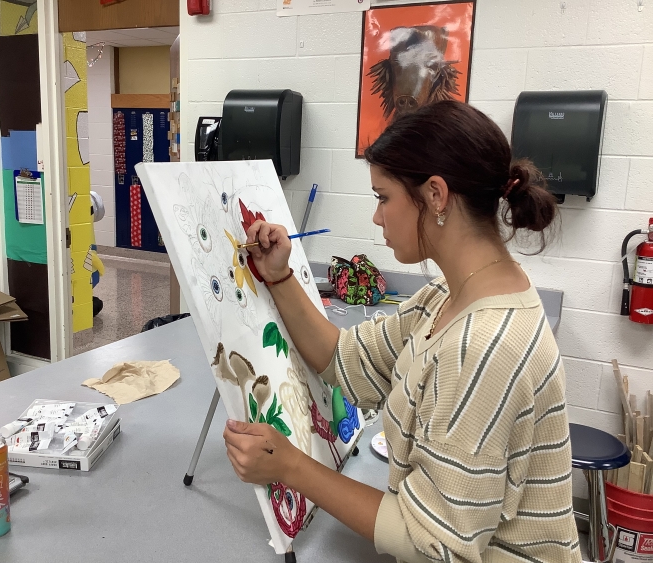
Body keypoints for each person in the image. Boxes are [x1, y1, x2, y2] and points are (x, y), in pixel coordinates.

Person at [222, 101, 580, 562]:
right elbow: (346, 360)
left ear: (436, 194)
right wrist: (279, 276)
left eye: (383, 197)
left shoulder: (483, 345)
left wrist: (291, 466)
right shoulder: (450, 295)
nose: (377, 217)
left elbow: (431, 542)